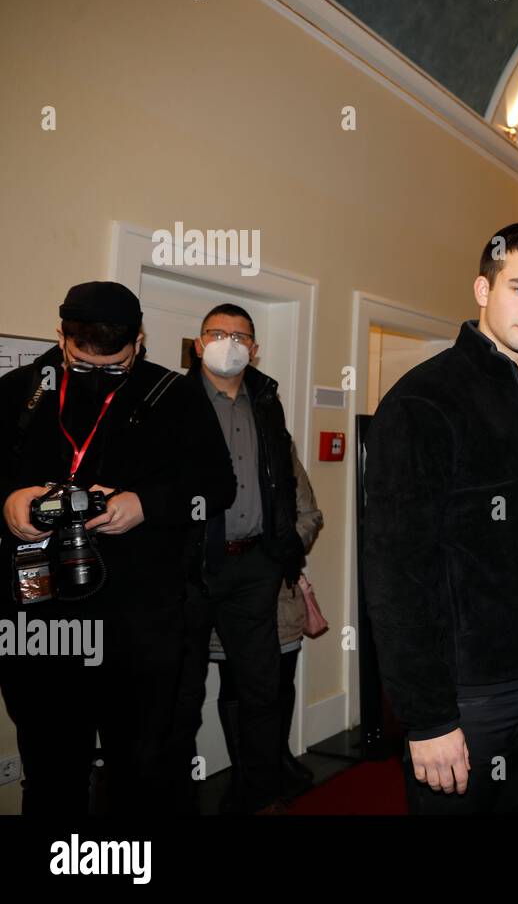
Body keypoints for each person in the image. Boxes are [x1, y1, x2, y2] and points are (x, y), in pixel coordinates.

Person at [0, 281, 235, 815]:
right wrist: (9, 505)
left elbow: (218, 487)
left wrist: (146, 505)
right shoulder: (18, 393)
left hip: (140, 625)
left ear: (140, 340)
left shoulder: (174, 397)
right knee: (52, 773)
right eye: (84, 364)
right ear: (61, 337)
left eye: (116, 364)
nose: (99, 375)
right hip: (41, 624)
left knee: (140, 771)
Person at [363, 222, 518, 814]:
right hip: (468, 698)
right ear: (483, 289)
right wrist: (428, 717)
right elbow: (395, 571)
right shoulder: (422, 402)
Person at [174, 303, 305, 814]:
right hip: (190, 568)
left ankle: (259, 796)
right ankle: (176, 799)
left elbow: (284, 478)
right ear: (199, 342)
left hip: (254, 565)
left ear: (254, 348)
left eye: (240, 335)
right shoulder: (174, 399)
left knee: (261, 689)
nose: (229, 341)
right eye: (217, 332)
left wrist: (284, 545)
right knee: (181, 697)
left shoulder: (266, 399)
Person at [210, 445, 323, 806]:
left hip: (277, 588)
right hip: (222, 590)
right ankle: (246, 774)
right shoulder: (197, 438)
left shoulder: (278, 445)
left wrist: (278, 555)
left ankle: (277, 758)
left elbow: (309, 514)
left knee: (280, 678)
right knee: (235, 682)